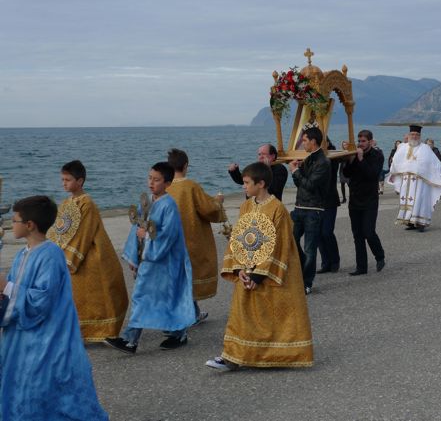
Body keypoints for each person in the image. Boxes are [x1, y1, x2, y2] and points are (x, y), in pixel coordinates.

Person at [1, 196, 109, 420]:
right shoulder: (22, 254)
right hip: (20, 337)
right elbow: (10, 296)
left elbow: (42, 301)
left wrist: (7, 286)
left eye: (16, 220)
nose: (12, 224)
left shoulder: (51, 254)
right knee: (18, 383)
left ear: (30, 225)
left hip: (47, 337)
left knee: (43, 387)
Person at [206, 162, 313, 371]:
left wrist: (257, 276)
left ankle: (273, 355)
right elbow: (238, 237)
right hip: (246, 269)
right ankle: (232, 356)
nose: (243, 186)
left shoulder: (278, 209)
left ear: (261, 184)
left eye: (246, 183)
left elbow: (279, 245)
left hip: (265, 272)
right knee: (241, 314)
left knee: (270, 317)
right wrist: (238, 269)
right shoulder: (246, 206)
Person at [106, 162, 195, 353]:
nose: (151, 183)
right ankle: (134, 339)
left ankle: (169, 335)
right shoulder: (147, 202)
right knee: (146, 296)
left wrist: (145, 236)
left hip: (165, 261)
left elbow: (169, 236)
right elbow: (137, 226)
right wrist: (134, 257)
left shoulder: (169, 205)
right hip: (148, 259)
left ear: (168, 183)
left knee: (159, 296)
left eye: (156, 180)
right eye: (149, 178)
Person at [47, 160, 128, 342]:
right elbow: (59, 228)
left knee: (93, 295)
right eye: (63, 179)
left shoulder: (87, 203)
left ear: (80, 181)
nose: (64, 183)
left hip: (88, 255)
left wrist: (69, 258)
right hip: (69, 252)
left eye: (68, 179)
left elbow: (85, 231)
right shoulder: (66, 202)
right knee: (77, 296)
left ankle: (100, 330)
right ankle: (76, 332)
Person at [167, 148, 225, 324]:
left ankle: (190, 313)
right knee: (189, 276)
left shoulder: (165, 186)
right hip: (191, 238)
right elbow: (207, 208)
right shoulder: (190, 186)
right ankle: (190, 315)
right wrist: (218, 201)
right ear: (185, 166)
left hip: (170, 239)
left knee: (177, 278)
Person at [388, 125, 441, 232]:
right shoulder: (403, 147)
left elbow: (434, 164)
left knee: (420, 200)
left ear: (420, 136)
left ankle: (420, 223)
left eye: (417, 135)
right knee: (407, 200)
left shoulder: (425, 148)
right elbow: (396, 161)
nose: (414, 136)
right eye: (412, 134)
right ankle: (410, 221)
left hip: (420, 181)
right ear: (409, 135)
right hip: (406, 179)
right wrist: (394, 173)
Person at [289, 127, 330, 295]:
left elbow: (311, 185)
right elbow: (301, 184)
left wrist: (296, 171)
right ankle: (298, 272)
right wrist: (297, 171)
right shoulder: (308, 159)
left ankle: (306, 282)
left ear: (313, 141)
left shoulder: (323, 162)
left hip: (314, 210)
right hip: (299, 207)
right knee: (290, 240)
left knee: (310, 248)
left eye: (304, 140)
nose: (303, 144)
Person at [342, 130, 386, 275]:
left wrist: (360, 159)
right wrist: (350, 160)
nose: (361, 144)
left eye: (363, 141)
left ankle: (379, 256)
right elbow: (347, 174)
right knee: (357, 235)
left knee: (368, 231)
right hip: (355, 199)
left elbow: (372, 175)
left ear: (371, 142)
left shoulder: (377, 155)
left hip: (370, 200)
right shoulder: (355, 155)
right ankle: (361, 267)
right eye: (359, 141)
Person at [316, 137, 341, 274]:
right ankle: (326, 262)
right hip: (316, 201)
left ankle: (335, 260)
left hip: (330, 200)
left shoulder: (332, 156)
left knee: (327, 232)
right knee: (318, 233)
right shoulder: (313, 157)